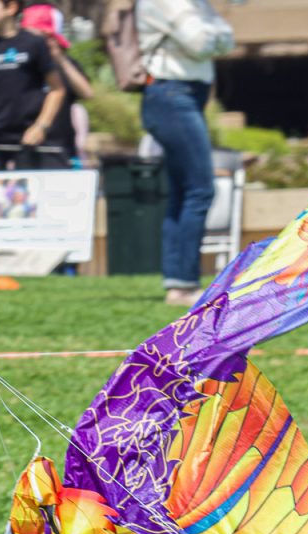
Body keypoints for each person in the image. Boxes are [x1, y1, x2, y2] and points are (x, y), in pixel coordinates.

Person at [136, 0, 233, 305]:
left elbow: (227, 41)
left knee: (184, 192)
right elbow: (203, 43)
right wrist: (214, 32)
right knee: (200, 189)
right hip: (170, 94)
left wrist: (213, 33)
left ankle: (178, 283)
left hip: (188, 95)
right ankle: (185, 284)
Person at [0, 0, 65, 170]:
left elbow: (57, 90)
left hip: (29, 137)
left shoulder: (33, 43)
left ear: (11, 8)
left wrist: (41, 126)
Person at [20, 3, 92, 167]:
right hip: (25, 144)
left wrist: (59, 59)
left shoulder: (66, 65)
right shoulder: (21, 63)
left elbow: (87, 93)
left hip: (60, 147)